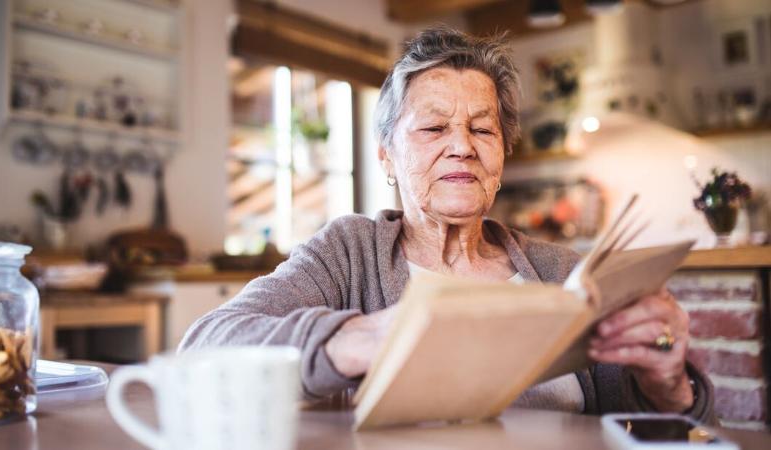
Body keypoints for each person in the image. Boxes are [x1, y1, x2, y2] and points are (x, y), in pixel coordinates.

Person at [180, 26, 714, 422]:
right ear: (386, 156)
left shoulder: (561, 272)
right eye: (434, 127)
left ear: (503, 152)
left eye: (482, 130)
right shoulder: (347, 253)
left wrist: (669, 386)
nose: (462, 146)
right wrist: (359, 336)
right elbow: (205, 346)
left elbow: (666, 429)